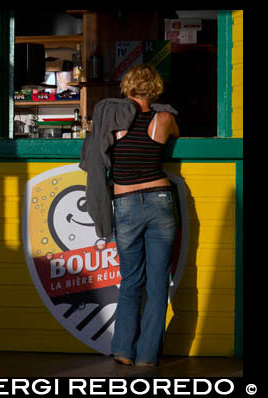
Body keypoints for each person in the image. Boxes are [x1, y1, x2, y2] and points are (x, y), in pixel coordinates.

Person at [101, 64, 179, 366]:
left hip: (127, 202)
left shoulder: (112, 119)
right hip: (160, 199)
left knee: (131, 280)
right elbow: (177, 135)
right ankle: (147, 355)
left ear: (127, 88)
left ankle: (123, 350)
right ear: (156, 89)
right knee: (159, 282)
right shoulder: (165, 118)